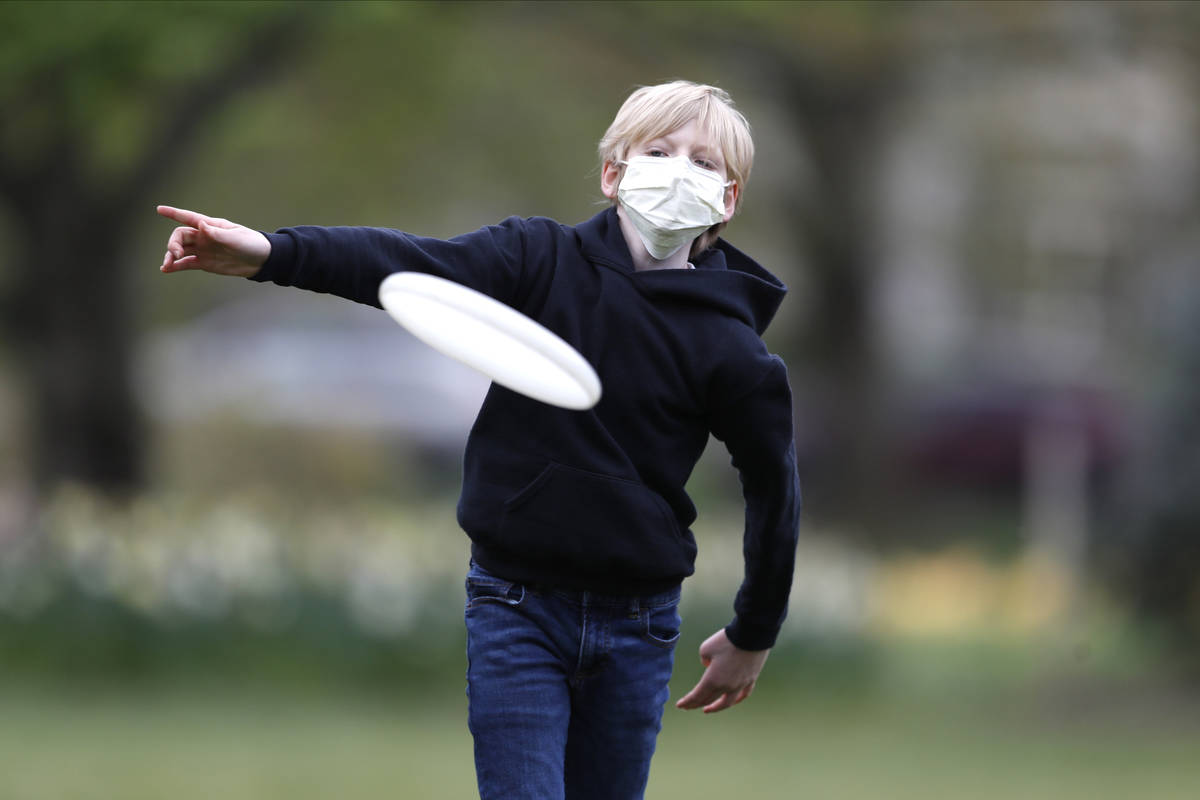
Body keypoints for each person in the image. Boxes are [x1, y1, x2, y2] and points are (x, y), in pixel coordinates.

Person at [157, 80, 801, 800]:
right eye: (659, 151)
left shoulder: (734, 350)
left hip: (639, 627)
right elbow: (407, 265)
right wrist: (272, 253)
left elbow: (775, 488)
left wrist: (755, 631)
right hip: (516, 606)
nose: (680, 169)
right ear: (614, 174)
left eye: (704, 162)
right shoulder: (537, 259)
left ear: (729, 199)